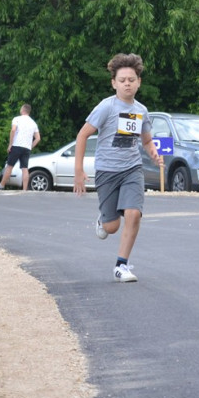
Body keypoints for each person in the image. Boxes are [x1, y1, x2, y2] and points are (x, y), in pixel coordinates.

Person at [74, 53, 163, 283]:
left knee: (134, 214)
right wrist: (78, 171)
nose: (127, 83)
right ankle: (103, 218)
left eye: (131, 79)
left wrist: (153, 153)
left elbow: (145, 140)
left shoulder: (142, 110)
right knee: (111, 227)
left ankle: (121, 266)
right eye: (122, 80)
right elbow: (83, 135)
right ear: (114, 83)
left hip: (132, 169)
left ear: (139, 82)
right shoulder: (106, 107)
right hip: (107, 170)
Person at [0, 104, 41, 191]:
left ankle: (1, 185)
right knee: (25, 168)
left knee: (10, 166)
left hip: (16, 145)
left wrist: (10, 144)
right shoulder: (33, 123)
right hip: (26, 148)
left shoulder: (17, 119)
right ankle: (25, 189)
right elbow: (38, 138)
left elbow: (13, 130)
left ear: (22, 110)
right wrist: (31, 146)